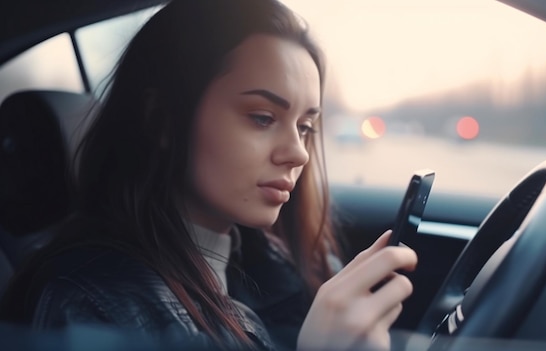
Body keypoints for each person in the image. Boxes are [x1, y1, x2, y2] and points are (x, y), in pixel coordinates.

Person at [0, 0, 417, 350]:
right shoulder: (90, 306)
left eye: (305, 127)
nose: (298, 154)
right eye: (262, 117)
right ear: (161, 121)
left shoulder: (272, 263)